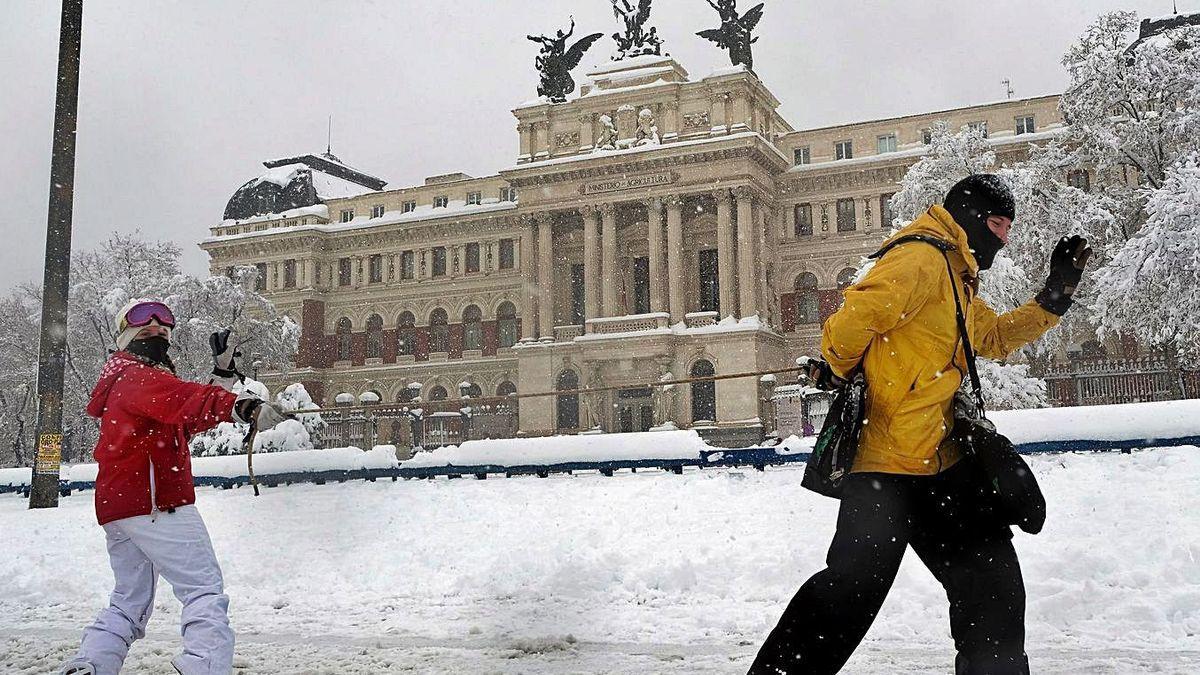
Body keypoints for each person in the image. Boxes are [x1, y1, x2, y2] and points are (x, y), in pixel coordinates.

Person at [748, 174, 1091, 675]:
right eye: (998, 224)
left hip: (943, 465)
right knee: (848, 595)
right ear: (972, 217)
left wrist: (1053, 298)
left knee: (991, 590)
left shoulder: (954, 271)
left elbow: (991, 337)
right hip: (886, 468)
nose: (1005, 238)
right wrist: (841, 369)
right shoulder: (919, 260)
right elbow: (846, 327)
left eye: (1010, 228)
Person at [60, 300, 287, 675]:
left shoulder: (125, 379)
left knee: (128, 602)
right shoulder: (138, 377)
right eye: (147, 334)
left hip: (122, 508)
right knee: (203, 589)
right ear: (127, 338)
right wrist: (243, 407)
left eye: (163, 333)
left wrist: (222, 376)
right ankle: (205, 666)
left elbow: (183, 417)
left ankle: (91, 664)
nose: (158, 339)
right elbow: (186, 400)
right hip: (156, 504)